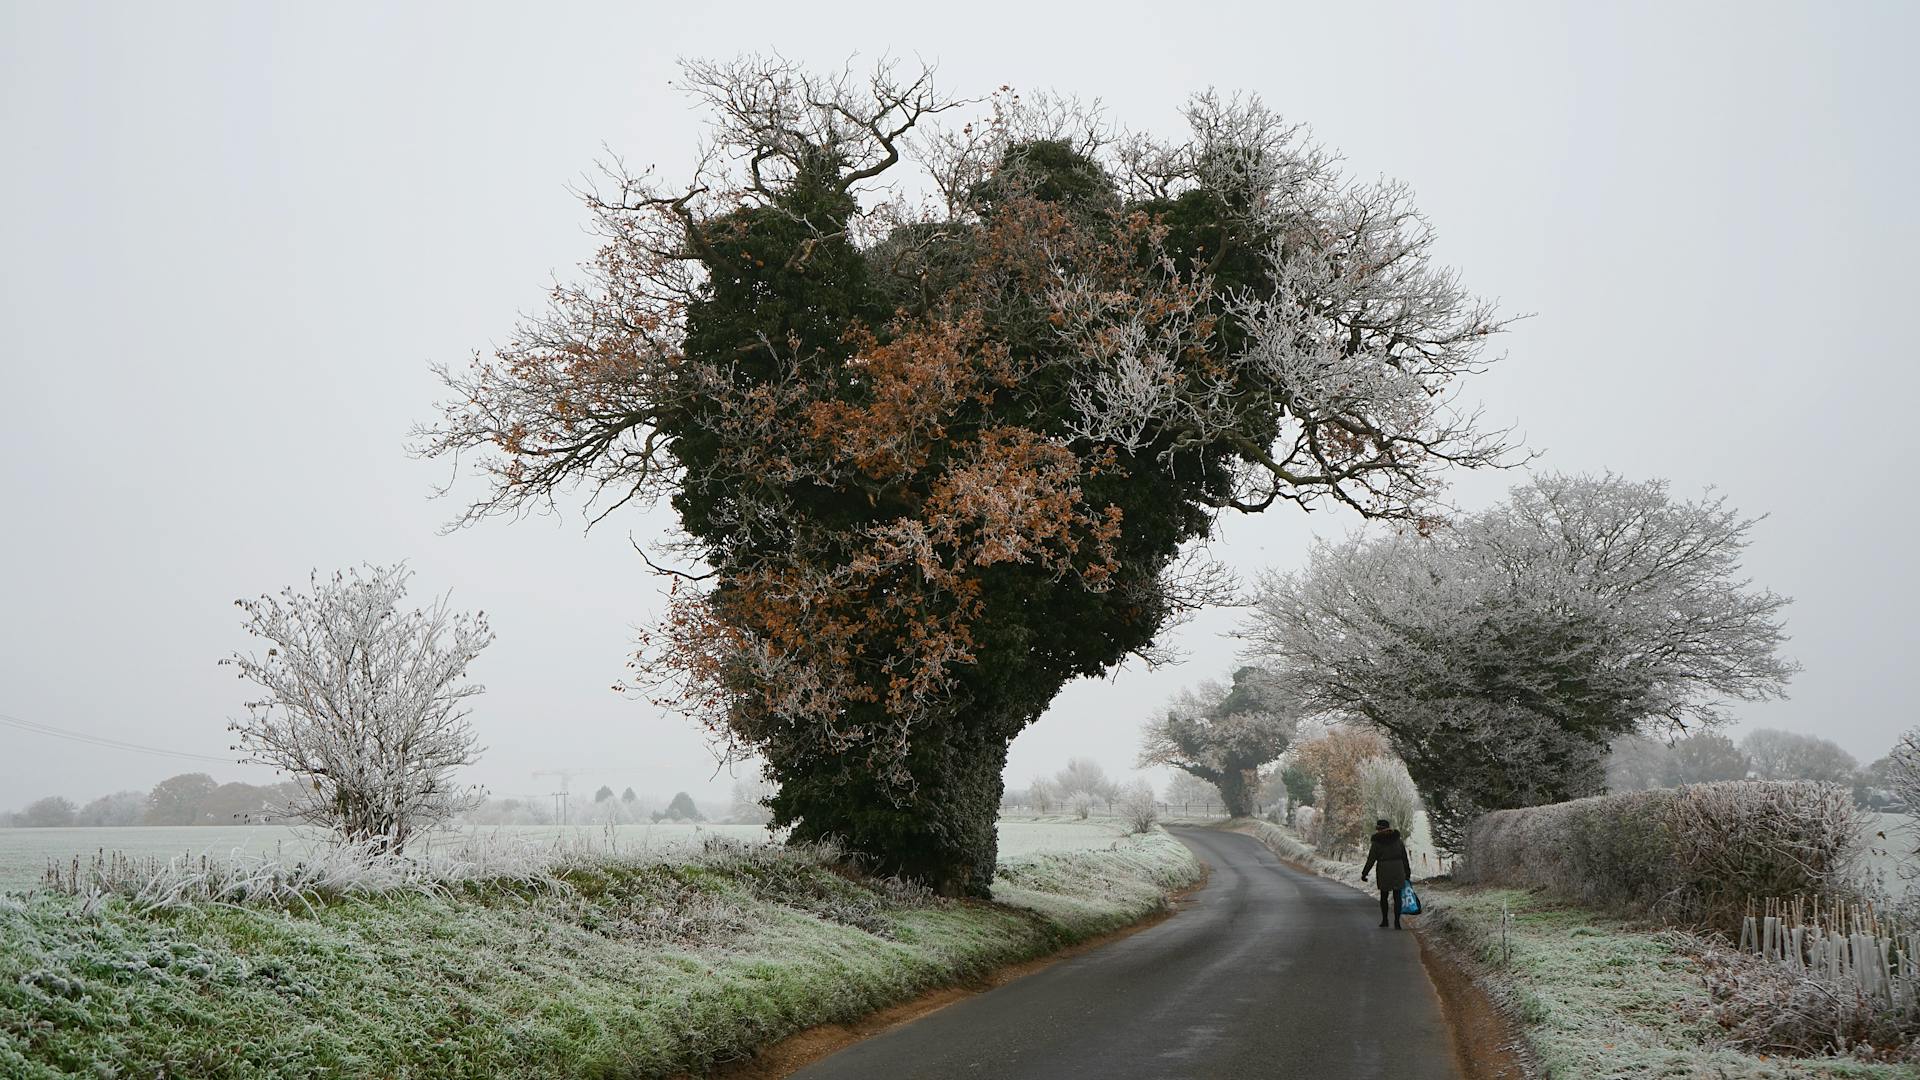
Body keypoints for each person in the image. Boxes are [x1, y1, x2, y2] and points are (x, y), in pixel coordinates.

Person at [1359, 818, 1411, 929]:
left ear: (1379, 829)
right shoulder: (1398, 840)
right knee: (1397, 896)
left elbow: (1371, 859)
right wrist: (1407, 872)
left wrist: (1364, 873)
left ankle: (1385, 920)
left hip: (1384, 869)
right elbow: (1404, 858)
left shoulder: (1377, 842)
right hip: (1398, 869)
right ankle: (1397, 922)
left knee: (1384, 895)